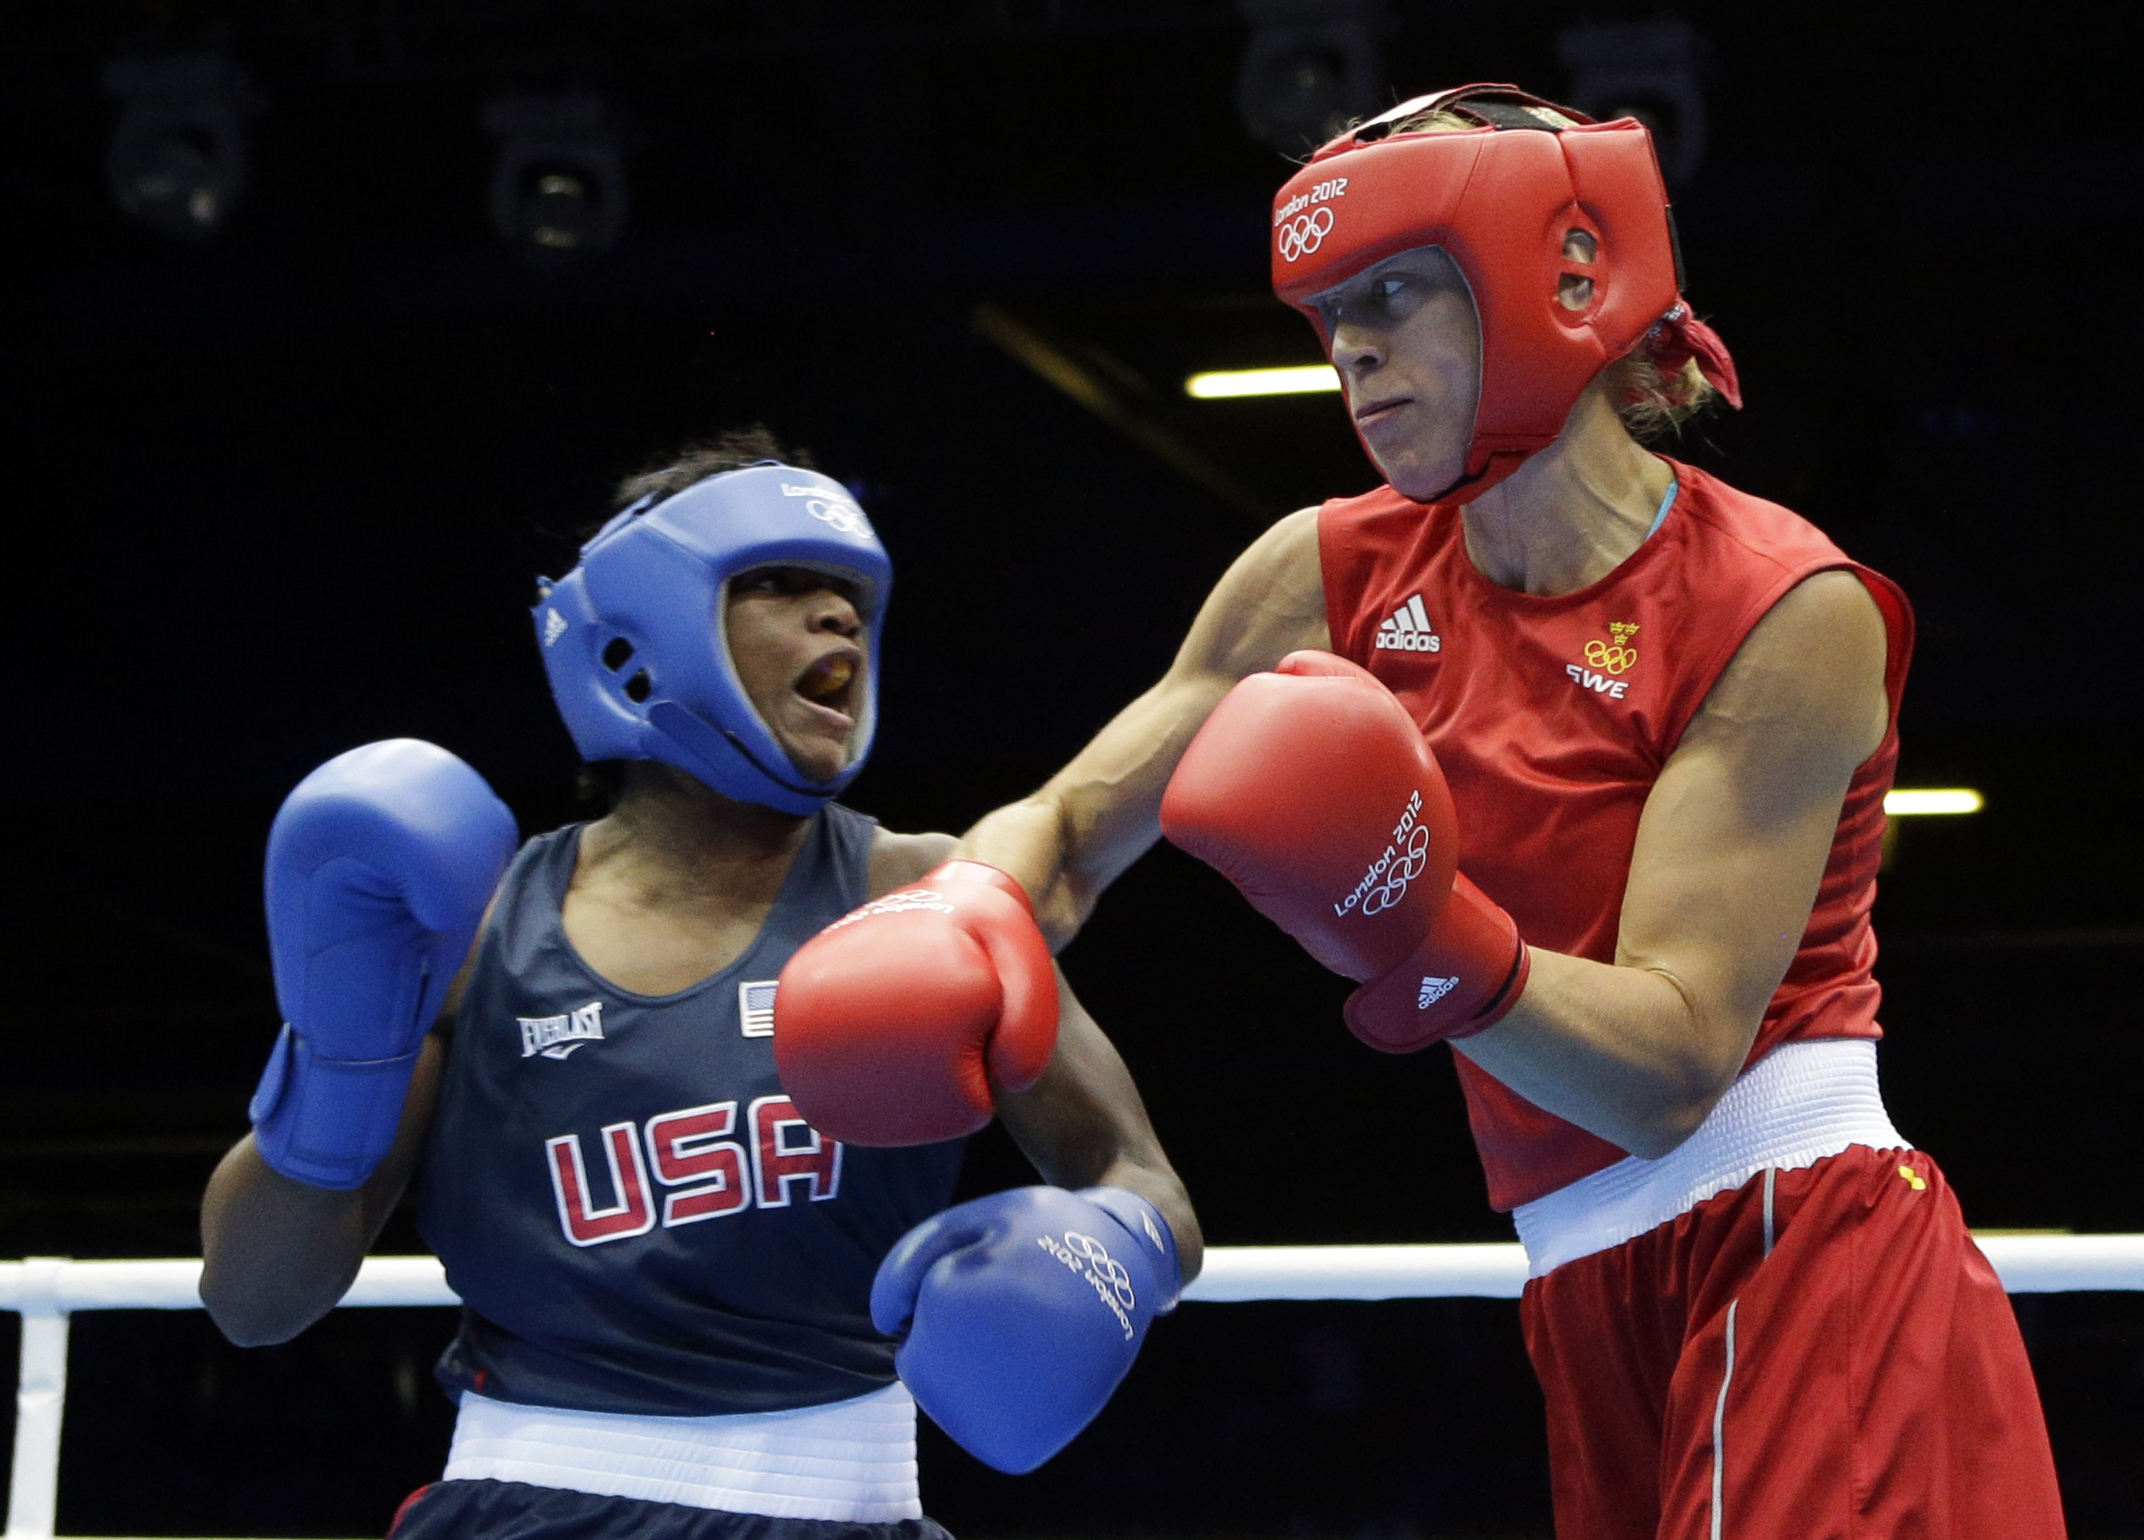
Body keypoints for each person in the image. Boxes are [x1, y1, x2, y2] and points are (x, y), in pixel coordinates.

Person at [774, 87, 2067, 1539]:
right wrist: (967, 911)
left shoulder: (1779, 605)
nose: (1352, 347)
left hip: (1798, 1251)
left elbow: (1674, 1065)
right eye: (1329, 312)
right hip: (1583, 1283)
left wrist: (1420, 933)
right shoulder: (1327, 571)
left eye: (1394, 290)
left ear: (1560, 279)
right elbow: (1072, 824)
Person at [199, 429, 1202, 1540]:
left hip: (852, 1507)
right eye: (781, 584)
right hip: (527, 1507)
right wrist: (337, 1059)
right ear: (639, 630)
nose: (840, 618)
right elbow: (253, 1301)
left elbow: (1140, 1178)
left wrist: (1101, 1249)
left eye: (851, 595)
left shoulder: (925, 896)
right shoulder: (480, 926)